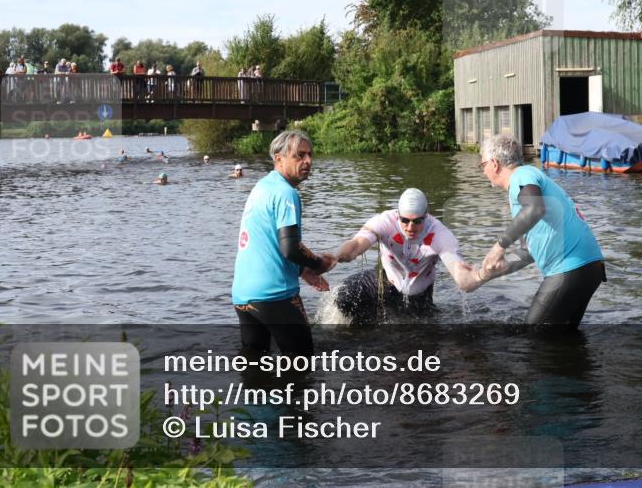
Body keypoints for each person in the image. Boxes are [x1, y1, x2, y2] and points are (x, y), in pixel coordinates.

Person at [477, 133, 606, 327]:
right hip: (588, 267)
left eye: (482, 165)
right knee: (561, 340)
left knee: (533, 336)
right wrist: (501, 268)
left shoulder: (521, 175)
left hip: (571, 268)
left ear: (494, 164)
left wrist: (498, 247)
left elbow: (535, 209)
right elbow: (529, 250)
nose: (483, 171)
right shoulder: (525, 184)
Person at [231, 130, 335, 357]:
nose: (308, 161)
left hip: (243, 294)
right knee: (302, 365)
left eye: (309, 155)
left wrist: (303, 271)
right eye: (299, 155)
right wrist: (318, 264)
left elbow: (270, 245)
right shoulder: (287, 193)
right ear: (279, 158)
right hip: (275, 295)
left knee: (254, 367)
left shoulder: (262, 186)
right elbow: (290, 247)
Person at [332, 188, 483, 323]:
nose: (411, 227)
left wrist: (481, 275)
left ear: (426, 216)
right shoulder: (385, 221)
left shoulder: (440, 234)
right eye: (405, 220)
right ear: (398, 215)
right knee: (344, 297)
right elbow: (356, 245)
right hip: (385, 282)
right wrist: (335, 256)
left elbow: (459, 273)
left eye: (417, 221)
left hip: (420, 294)